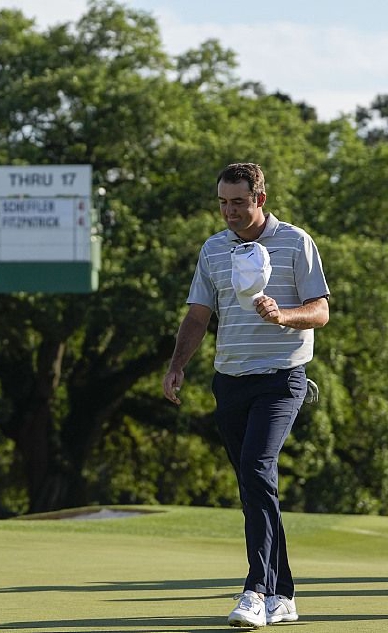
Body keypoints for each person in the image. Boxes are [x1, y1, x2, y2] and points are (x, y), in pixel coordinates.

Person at [162, 163, 330, 628]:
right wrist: (177, 366)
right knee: (256, 486)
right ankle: (285, 596)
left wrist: (283, 316)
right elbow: (198, 317)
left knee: (257, 470)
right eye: (222, 201)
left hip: (282, 378)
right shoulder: (213, 248)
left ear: (260, 197)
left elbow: (320, 311)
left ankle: (256, 590)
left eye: (238, 201)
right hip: (229, 379)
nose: (229, 211)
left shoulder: (297, 242)